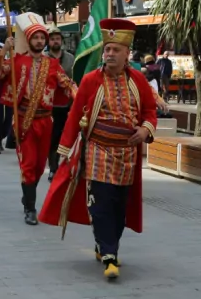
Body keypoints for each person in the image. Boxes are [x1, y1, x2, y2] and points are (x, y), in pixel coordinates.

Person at [39, 18, 157, 280]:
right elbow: (73, 116)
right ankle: (110, 255)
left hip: (127, 155)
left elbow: (149, 110)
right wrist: (64, 150)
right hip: (97, 151)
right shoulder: (92, 80)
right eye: (107, 50)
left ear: (127, 53)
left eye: (116, 50)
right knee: (101, 203)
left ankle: (104, 244)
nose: (110, 54)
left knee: (119, 206)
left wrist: (145, 130)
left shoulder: (138, 80)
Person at [0, 13, 77, 225]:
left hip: (46, 121)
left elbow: (68, 85)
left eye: (42, 38)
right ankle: (30, 208)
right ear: (28, 40)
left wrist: (82, 97)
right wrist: (4, 51)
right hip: (23, 119)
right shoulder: (17, 60)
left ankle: (27, 193)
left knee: (39, 167)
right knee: (28, 165)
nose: (39, 41)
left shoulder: (53, 65)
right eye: (35, 37)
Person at [45, 26, 75, 181]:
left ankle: (61, 166)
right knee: (52, 137)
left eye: (57, 38)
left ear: (61, 41)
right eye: (52, 39)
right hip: (48, 105)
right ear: (48, 41)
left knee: (65, 136)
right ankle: (53, 167)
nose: (55, 41)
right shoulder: (44, 58)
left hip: (66, 104)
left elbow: (75, 79)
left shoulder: (70, 58)